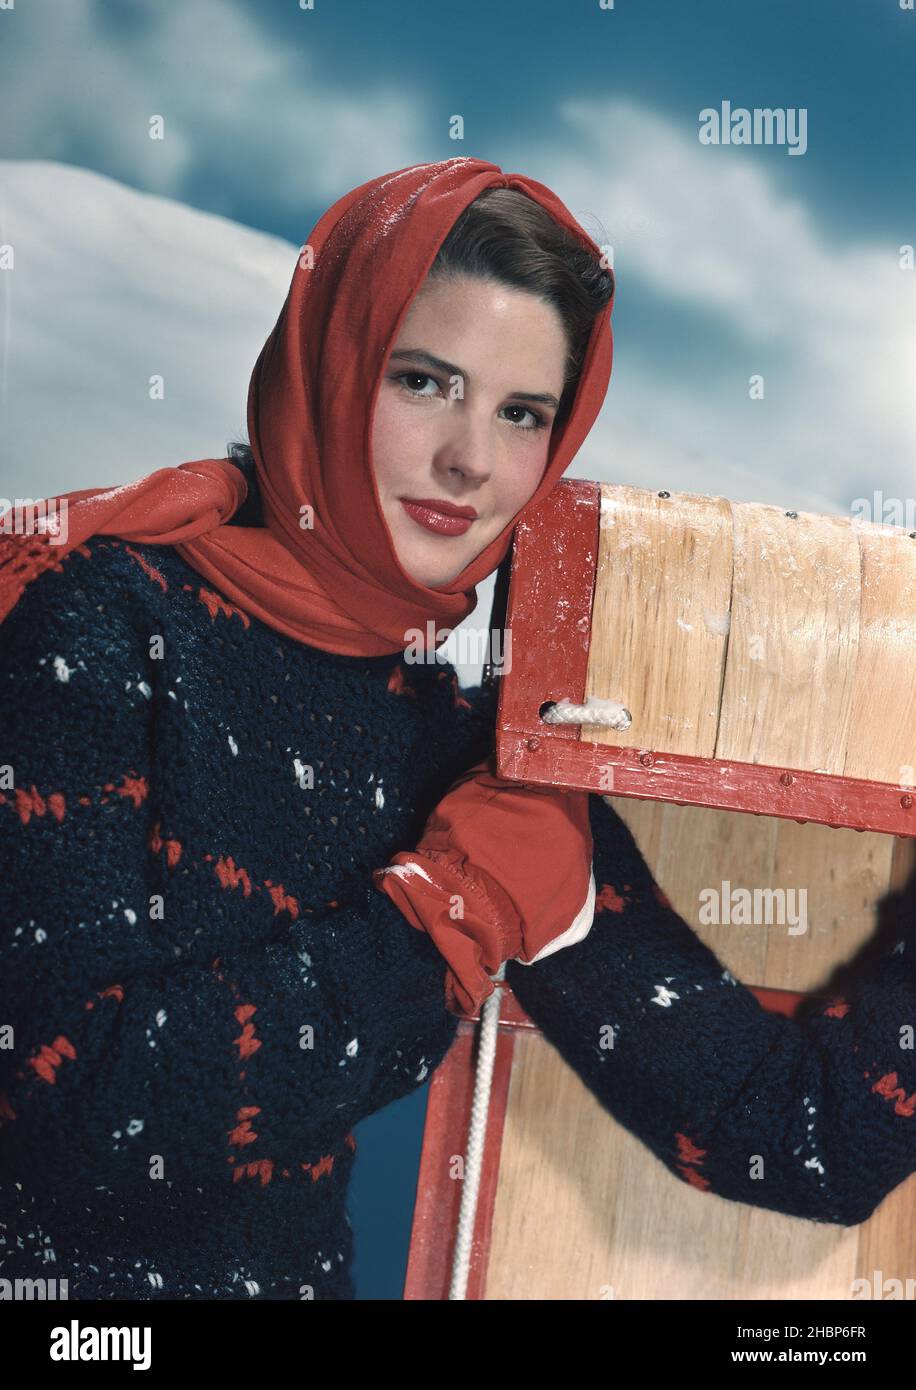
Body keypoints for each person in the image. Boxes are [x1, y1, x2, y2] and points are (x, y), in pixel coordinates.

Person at [0, 160, 913, 1304]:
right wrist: (449, 915)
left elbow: (792, 1135)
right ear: (328, 366)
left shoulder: (472, 757)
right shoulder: (93, 616)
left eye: (522, 412)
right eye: (425, 381)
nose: (470, 461)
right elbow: (64, 1121)